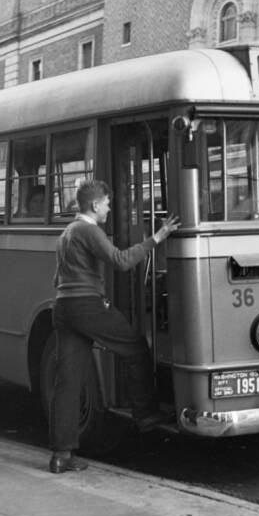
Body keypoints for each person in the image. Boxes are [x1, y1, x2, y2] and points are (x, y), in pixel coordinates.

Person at [48, 180, 180, 474]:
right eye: (107, 204)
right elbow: (121, 261)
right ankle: (146, 415)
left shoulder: (66, 233)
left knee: (67, 381)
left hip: (63, 308)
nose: (109, 209)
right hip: (86, 306)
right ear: (95, 205)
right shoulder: (89, 230)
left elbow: (56, 279)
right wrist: (157, 238)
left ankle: (61, 455)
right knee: (135, 346)